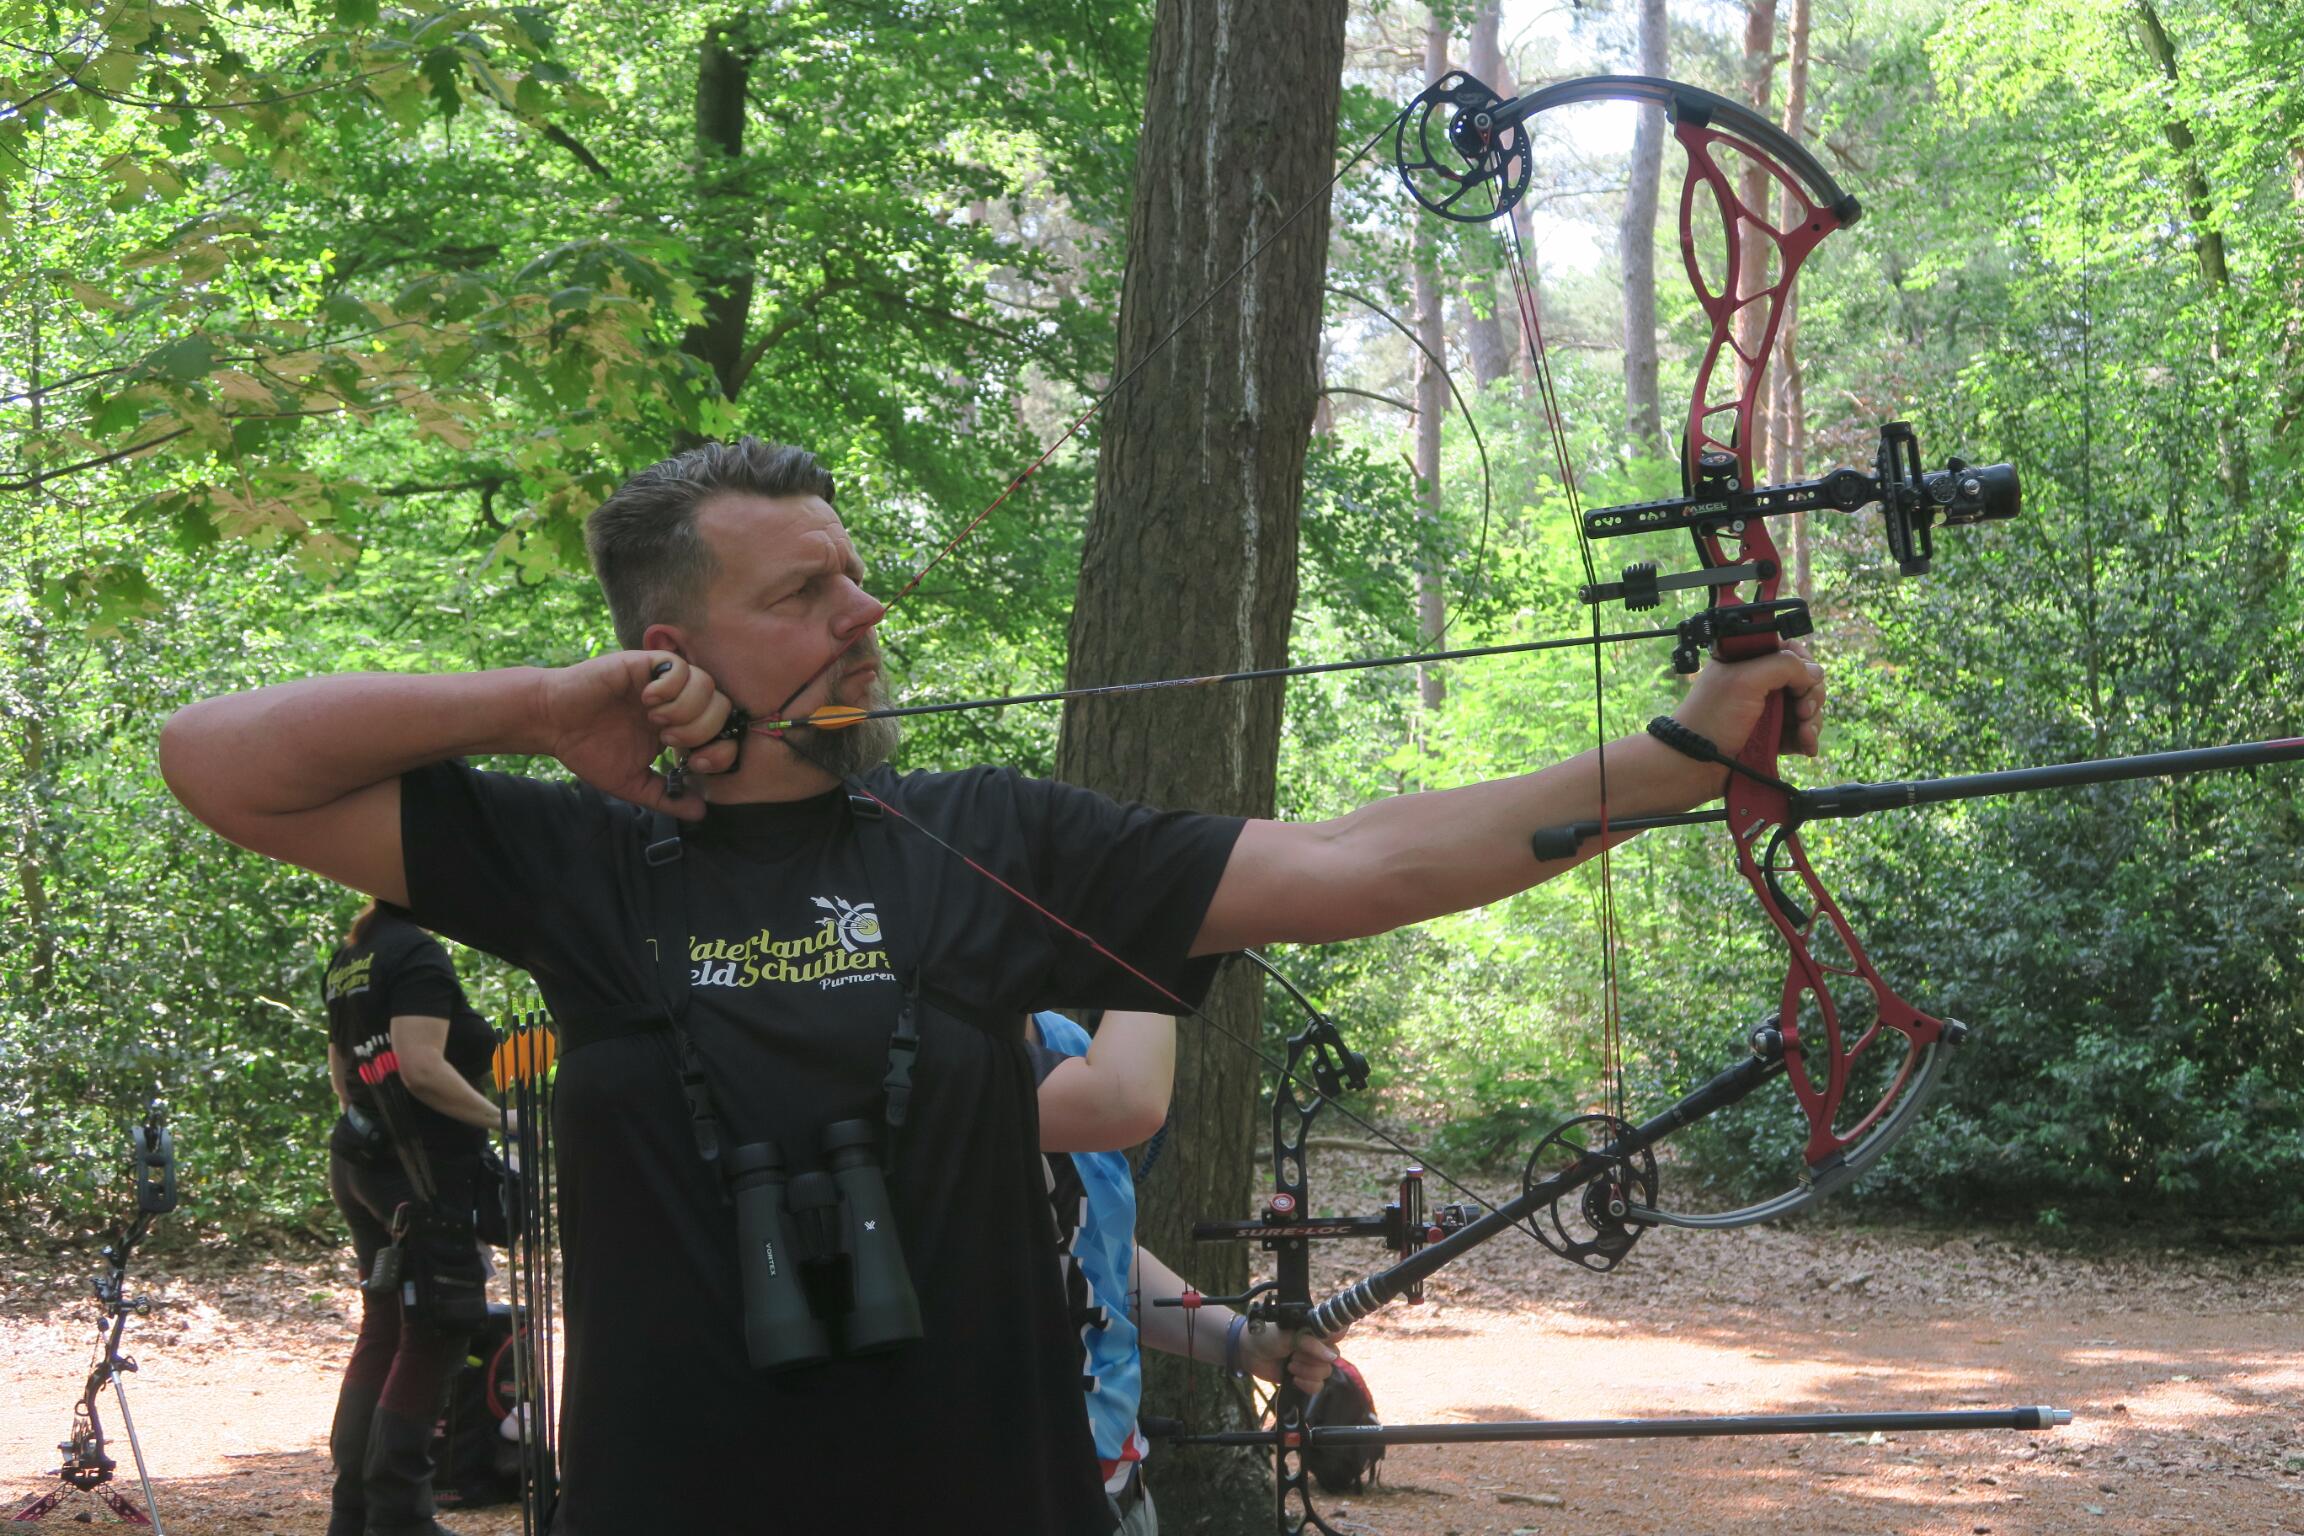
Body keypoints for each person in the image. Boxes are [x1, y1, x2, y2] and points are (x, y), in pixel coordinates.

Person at [159, 437, 1824, 1533]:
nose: (864, 609)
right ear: (669, 652)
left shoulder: (984, 837)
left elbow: (1353, 863)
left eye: (854, 572)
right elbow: (213, 758)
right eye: (803, 593)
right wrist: (535, 705)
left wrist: (1669, 758)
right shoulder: (582, 858)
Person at [1031, 1008, 1343, 1535]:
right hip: (1010, 1496)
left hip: (1121, 1489)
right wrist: (1155, 961)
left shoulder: (1067, 1040)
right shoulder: (933, 1054)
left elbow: (1104, 1257)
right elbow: (1130, 1100)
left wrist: (1239, 1340)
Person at [322, 898, 507, 1536]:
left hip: (362, 1158)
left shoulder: (352, 955)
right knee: (436, 1326)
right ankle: (398, 1518)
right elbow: (421, 1067)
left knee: (387, 1326)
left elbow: (343, 1075)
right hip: (420, 1172)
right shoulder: (416, 953)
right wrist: (503, 1120)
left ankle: (355, 1515)